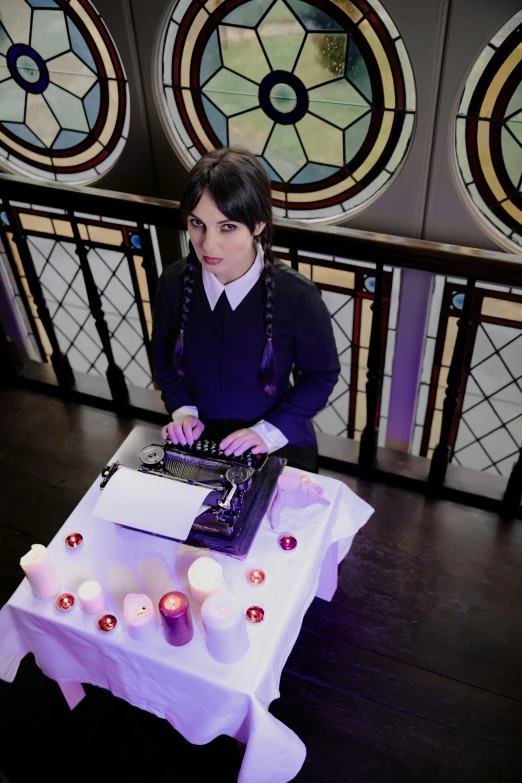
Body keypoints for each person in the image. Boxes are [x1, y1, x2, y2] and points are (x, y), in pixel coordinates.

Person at [150, 146, 340, 473]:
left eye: (227, 227)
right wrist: (183, 412)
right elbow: (162, 354)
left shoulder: (298, 296)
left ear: (258, 225)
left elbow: (322, 375)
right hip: (199, 439)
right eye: (197, 223)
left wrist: (268, 433)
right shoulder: (172, 282)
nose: (208, 244)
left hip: (275, 441)